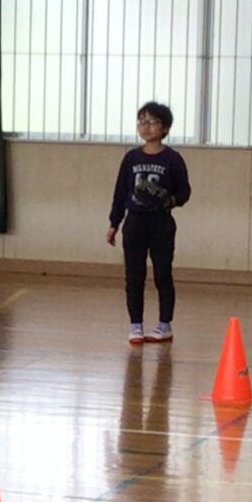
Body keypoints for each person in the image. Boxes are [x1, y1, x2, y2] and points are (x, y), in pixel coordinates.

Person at [106, 100, 191, 346]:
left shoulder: (173, 159)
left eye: (152, 122)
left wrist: (169, 201)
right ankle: (135, 326)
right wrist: (114, 222)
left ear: (164, 128)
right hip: (135, 222)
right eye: (141, 121)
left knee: (162, 273)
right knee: (134, 275)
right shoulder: (131, 158)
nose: (146, 127)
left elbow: (185, 191)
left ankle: (164, 325)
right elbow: (120, 192)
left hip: (161, 223)